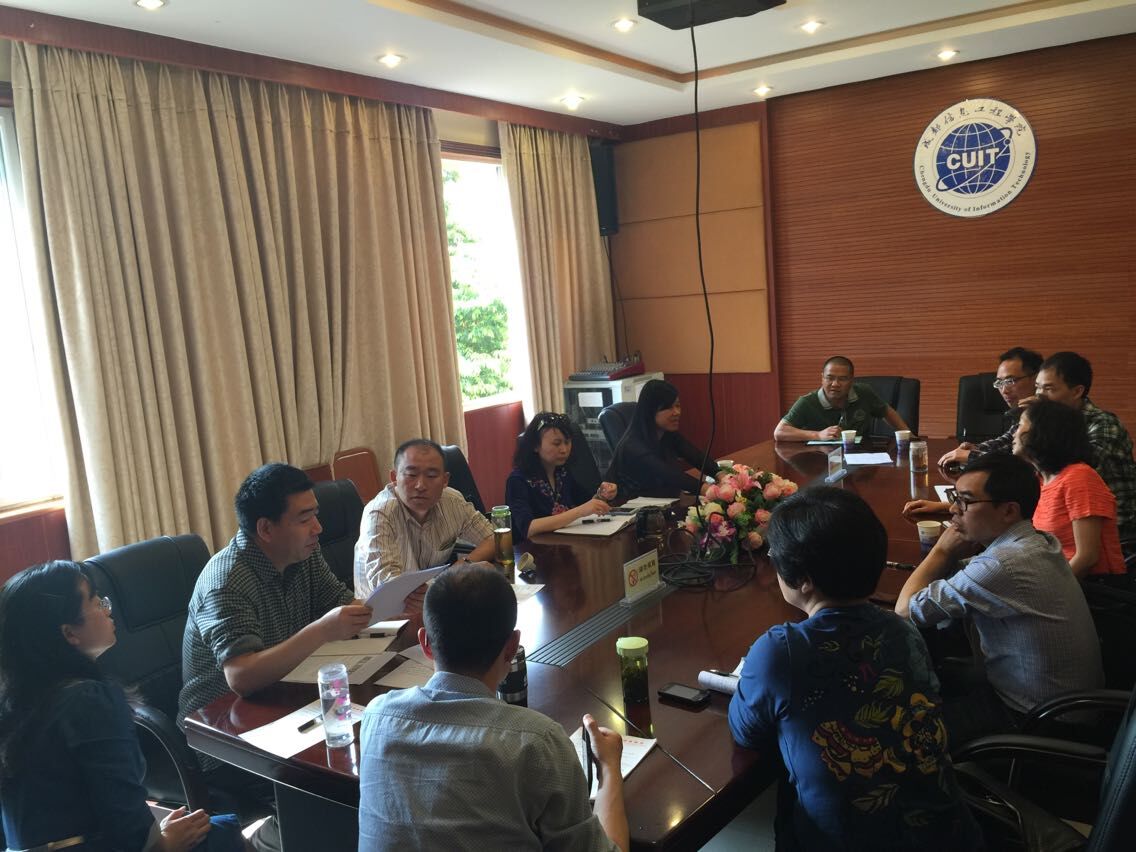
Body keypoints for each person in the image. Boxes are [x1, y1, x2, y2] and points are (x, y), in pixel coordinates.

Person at [728, 488, 979, 851]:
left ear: (804, 578)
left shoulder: (781, 651)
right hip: (948, 837)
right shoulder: (902, 629)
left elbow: (746, 731)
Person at [358, 564, 628, 852]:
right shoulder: (537, 744)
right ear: (512, 648)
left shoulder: (376, 717)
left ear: (425, 643)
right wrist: (609, 768)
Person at [0, 561, 243, 852]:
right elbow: (126, 821)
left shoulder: (15, 702)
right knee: (224, 831)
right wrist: (161, 841)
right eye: (95, 600)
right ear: (69, 634)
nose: (107, 608)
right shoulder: (90, 701)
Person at [179, 463, 373, 785]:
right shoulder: (226, 582)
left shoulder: (303, 554)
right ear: (266, 529)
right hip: (224, 735)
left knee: (373, 743)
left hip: (285, 701)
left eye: (316, 515)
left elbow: (341, 604)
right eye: (304, 519)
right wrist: (323, 630)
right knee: (349, 775)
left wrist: (385, 602)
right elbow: (241, 677)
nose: (318, 528)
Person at [896, 454, 1104, 744]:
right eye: (955, 497)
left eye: (965, 501)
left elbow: (906, 611)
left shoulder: (1001, 565)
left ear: (1008, 511)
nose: (953, 509)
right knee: (937, 670)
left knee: (905, 731)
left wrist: (941, 550)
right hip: (1067, 704)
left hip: (1040, 720)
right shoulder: (1036, 540)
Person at [354, 439, 495, 597]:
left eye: (431, 475)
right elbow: (389, 587)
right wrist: (450, 582)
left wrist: (464, 565)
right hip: (383, 608)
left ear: (445, 480)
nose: (420, 485)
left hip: (434, 596)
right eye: (411, 475)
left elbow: (493, 538)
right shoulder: (379, 514)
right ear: (394, 478)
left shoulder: (453, 502)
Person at [1013, 400, 1126, 581]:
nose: (1014, 433)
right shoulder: (1041, 480)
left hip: (1094, 586)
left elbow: (1087, 558)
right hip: (1059, 578)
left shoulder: (1079, 477)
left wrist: (1049, 589)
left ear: (1042, 432)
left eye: (1020, 425)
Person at [1031, 351, 1136, 546]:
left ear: (1077, 391)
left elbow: (1079, 468)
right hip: (1068, 519)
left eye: (1048, 389)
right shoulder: (1043, 422)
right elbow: (1008, 443)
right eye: (1037, 387)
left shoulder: (1104, 423)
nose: (1039, 396)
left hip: (1116, 530)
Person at [506, 411, 618, 540]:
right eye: (557, 443)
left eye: (567, 442)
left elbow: (585, 503)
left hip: (562, 542)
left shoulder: (562, 472)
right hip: (533, 548)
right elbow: (528, 528)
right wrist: (580, 511)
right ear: (535, 445)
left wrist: (602, 495)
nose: (564, 450)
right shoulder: (518, 480)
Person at [605, 379, 719, 498]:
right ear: (651, 410)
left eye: (677, 405)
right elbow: (668, 473)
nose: (677, 412)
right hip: (628, 504)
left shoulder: (666, 433)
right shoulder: (632, 446)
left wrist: (720, 474)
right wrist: (707, 489)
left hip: (661, 499)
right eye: (668, 407)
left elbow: (694, 455)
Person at [938, 346, 1042, 468]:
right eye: (999, 383)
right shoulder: (1024, 411)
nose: (1004, 390)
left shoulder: (1046, 417)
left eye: (1010, 381)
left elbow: (1022, 464)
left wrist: (971, 456)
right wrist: (977, 448)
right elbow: (1006, 442)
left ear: (1036, 379)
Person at [773, 356, 909, 442]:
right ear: (822, 378)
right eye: (830, 378)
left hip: (860, 458)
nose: (835, 384)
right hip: (820, 461)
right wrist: (818, 435)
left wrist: (908, 437)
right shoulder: (807, 402)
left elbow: (886, 411)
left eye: (842, 379)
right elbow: (780, 432)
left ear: (851, 380)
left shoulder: (864, 392)